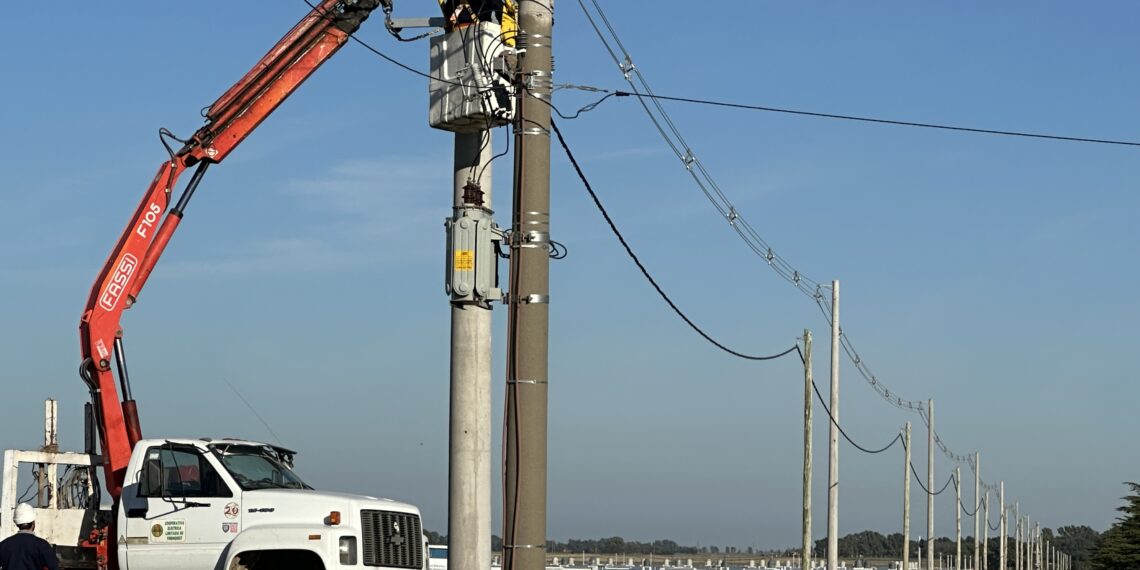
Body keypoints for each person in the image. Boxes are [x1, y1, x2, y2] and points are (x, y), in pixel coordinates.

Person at [0, 503, 60, 570]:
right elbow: (54, 567)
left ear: (17, 524)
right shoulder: (42, 545)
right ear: (33, 523)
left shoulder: (4, 545)